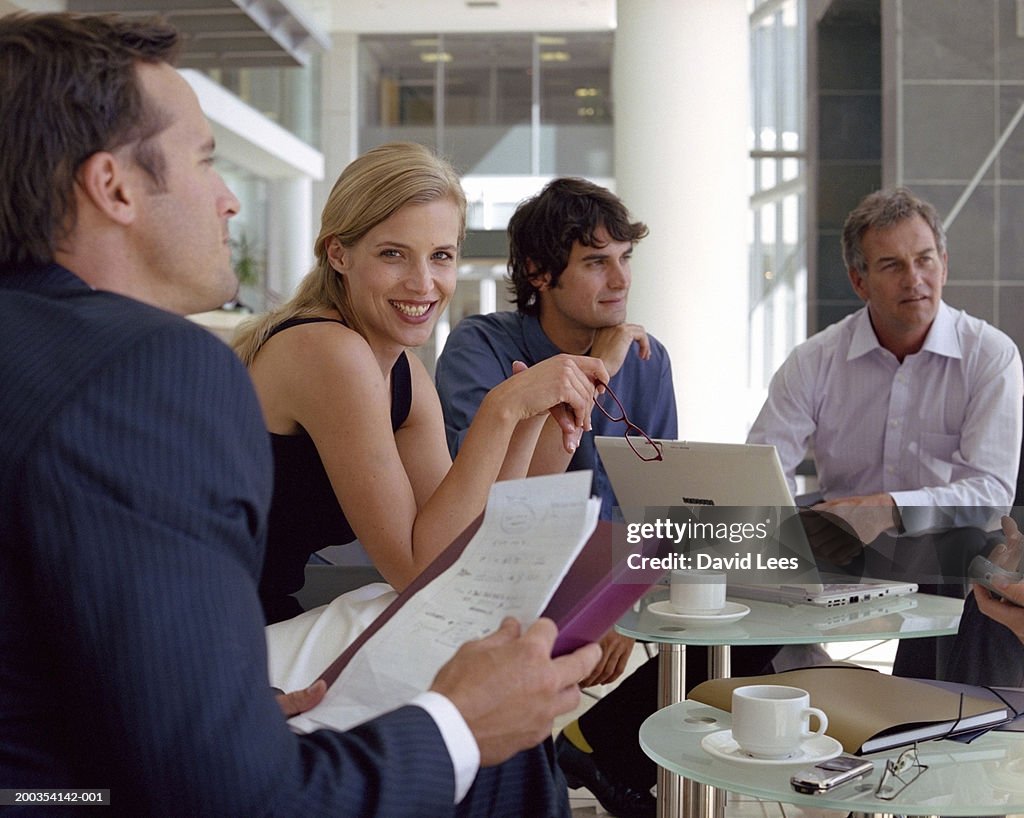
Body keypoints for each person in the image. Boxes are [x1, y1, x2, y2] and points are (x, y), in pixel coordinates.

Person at [0, 12, 601, 817]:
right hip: (184, 701)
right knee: (496, 755)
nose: (228, 202)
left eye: (443, 255)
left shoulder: (398, 370)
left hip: (93, 741)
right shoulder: (168, 363)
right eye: (206, 162)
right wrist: (457, 724)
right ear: (113, 186)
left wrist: (534, 431)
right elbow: (419, 567)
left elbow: (467, 542)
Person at [434, 178, 777, 818]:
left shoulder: (650, 359)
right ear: (539, 273)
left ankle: (601, 743)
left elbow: (663, 499)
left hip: (612, 571)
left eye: (624, 259)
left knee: (753, 600)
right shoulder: (480, 346)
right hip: (509, 570)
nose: (619, 280)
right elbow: (494, 501)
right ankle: (579, 753)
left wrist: (626, 594)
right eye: (596, 262)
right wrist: (606, 368)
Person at [748, 186, 1023, 679]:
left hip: (946, 546)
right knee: (734, 539)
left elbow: (992, 493)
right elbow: (760, 468)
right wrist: (789, 530)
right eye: (892, 265)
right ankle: (807, 679)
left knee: (981, 550)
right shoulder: (815, 360)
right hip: (841, 540)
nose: (914, 279)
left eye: (924, 260)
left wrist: (888, 508)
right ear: (859, 280)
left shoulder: (990, 354)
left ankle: (936, 713)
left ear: (944, 262)